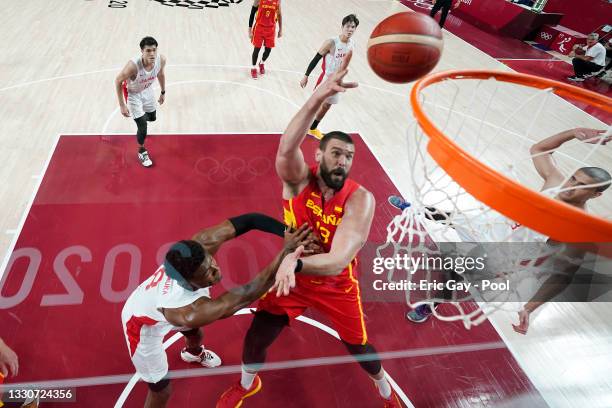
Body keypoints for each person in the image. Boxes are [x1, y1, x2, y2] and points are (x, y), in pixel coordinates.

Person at [217, 52, 403, 408]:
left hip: (334, 285)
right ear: (317, 156)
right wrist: (317, 97)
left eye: (349, 156)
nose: (343, 161)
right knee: (256, 337)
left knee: (360, 349)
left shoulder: (361, 199)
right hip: (294, 280)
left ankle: (384, 390)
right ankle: (246, 385)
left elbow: (338, 260)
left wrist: (294, 263)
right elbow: (286, 147)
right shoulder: (299, 182)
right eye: (335, 153)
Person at [391, 127, 612, 322]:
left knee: (454, 275)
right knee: (451, 215)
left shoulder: (577, 227)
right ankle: (413, 209)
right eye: (574, 178)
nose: (571, 186)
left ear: (596, 194)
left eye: (582, 186)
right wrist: (573, 133)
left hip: (500, 251)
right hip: (494, 224)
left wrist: (529, 308)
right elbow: (539, 149)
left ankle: (431, 305)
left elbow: (563, 276)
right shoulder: (557, 183)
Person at [121, 214, 311, 408]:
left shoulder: (201, 245)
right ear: (188, 282)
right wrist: (286, 252)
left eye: (210, 261)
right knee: (161, 391)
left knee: (195, 334)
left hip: (157, 304)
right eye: (207, 274)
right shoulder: (190, 312)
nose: (215, 269)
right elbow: (247, 294)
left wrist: (289, 234)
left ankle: (193, 354)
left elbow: (251, 220)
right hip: (142, 328)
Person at [300, 14, 359, 140]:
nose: (350, 29)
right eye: (348, 26)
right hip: (326, 78)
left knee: (327, 106)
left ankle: (312, 128)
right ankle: (301, 125)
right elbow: (316, 58)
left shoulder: (352, 44)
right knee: (315, 104)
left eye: (353, 27)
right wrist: (306, 75)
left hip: (337, 80)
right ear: (342, 26)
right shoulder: (332, 42)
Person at [115, 36, 166, 167]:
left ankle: (142, 122)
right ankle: (142, 150)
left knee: (152, 117)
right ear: (142, 51)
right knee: (142, 125)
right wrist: (122, 105)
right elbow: (118, 81)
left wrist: (163, 92)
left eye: (154, 50)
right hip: (134, 95)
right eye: (148, 50)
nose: (152, 53)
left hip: (148, 90)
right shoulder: (133, 66)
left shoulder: (161, 60)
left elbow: (160, 74)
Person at [249, 0, 282, 80]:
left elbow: (279, 14)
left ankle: (262, 63)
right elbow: (252, 12)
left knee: (268, 50)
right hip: (259, 28)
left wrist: (280, 29)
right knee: (257, 48)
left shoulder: (277, 1)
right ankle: (253, 68)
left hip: (271, 29)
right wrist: (249, 29)